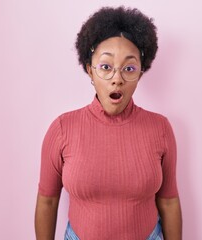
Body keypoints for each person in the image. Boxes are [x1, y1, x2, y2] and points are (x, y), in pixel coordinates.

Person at [35, 6, 182, 240]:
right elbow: (48, 200)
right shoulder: (62, 129)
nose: (117, 79)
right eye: (106, 67)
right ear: (90, 71)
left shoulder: (160, 129)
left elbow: (168, 200)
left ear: (140, 74)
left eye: (129, 68)